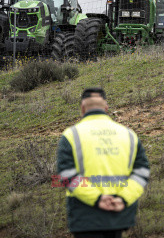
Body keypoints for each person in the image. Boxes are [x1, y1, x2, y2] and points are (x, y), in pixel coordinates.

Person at [56, 87, 150, 238]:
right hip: (119, 215)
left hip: (85, 215)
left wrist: (97, 199)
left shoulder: (71, 135)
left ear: (82, 108)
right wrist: (124, 199)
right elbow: (142, 172)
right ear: (106, 108)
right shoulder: (129, 135)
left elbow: (66, 175)